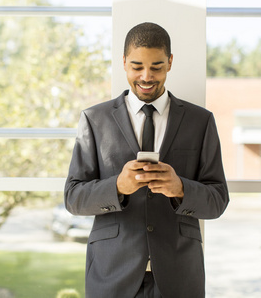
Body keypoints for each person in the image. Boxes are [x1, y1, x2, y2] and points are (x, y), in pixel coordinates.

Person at [64, 22, 229, 298]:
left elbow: (218, 200)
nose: (146, 76)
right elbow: (73, 197)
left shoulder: (200, 122)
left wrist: (180, 189)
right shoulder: (95, 120)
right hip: (111, 274)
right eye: (137, 66)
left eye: (156, 67)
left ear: (170, 62)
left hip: (179, 275)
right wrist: (117, 186)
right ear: (124, 62)